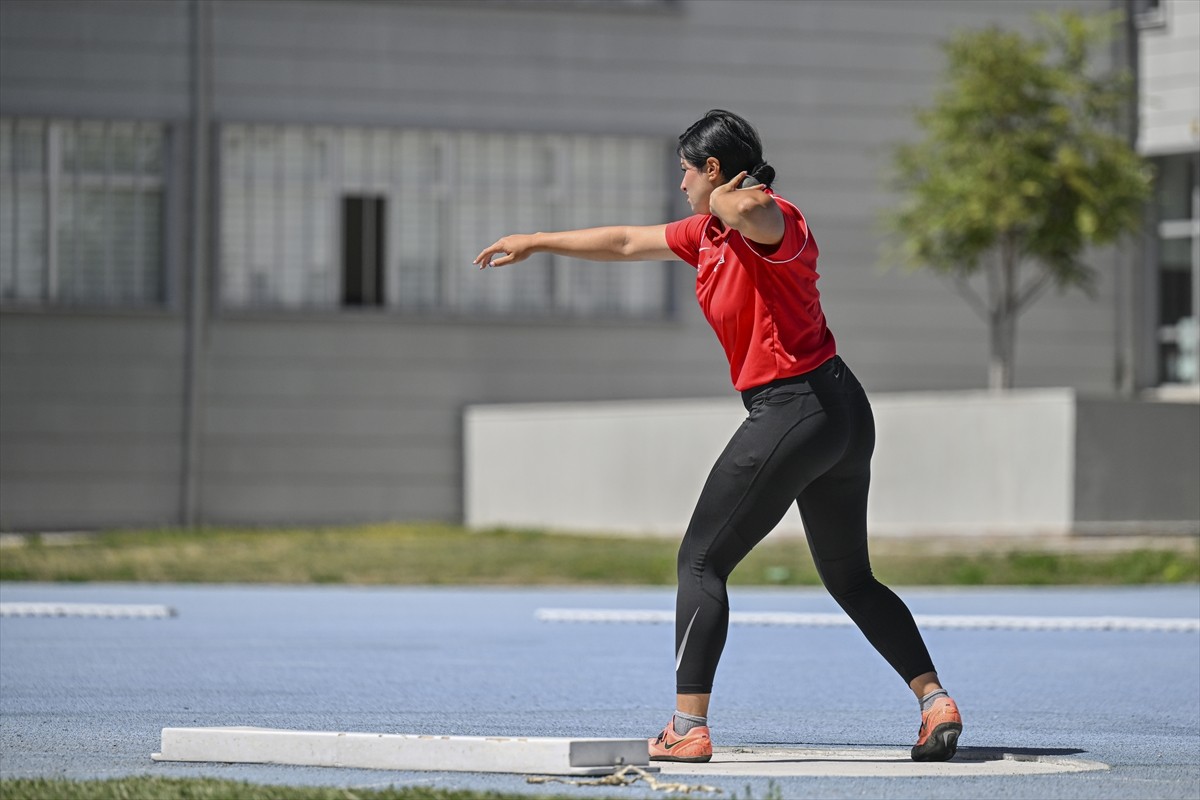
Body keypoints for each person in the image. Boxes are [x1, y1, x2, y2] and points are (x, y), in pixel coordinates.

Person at [474, 109, 963, 764]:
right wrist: (537, 239)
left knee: (700, 561)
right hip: (836, 411)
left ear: (712, 169)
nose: (679, 186)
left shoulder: (773, 222)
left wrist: (739, 194)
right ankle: (935, 703)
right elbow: (624, 241)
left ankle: (686, 727)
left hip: (800, 407)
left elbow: (761, 213)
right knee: (849, 577)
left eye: (685, 171)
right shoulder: (703, 233)